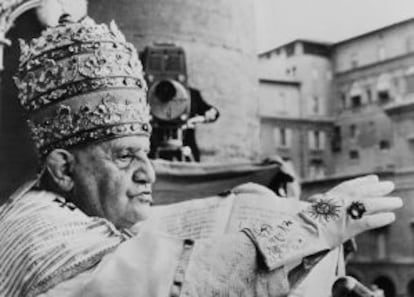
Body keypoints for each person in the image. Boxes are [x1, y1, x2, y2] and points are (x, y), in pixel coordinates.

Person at [0, 15, 402, 297]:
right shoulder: (40, 231)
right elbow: (177, 282)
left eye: (145, 154)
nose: (148, 174)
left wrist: (248, 206)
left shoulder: (72, 211)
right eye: (125, 157)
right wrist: (315, 224)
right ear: (63, 168)